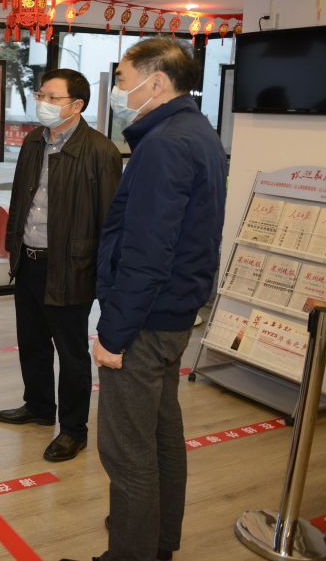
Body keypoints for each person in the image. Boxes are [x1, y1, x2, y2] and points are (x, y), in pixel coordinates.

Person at [92, 38, 227, 561]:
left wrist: (113, 334)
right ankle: (160, 545)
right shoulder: (198, 132)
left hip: (145, 321)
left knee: (127, 450)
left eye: (123, 80)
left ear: (157, 82)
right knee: (162, 436)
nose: (118, 91)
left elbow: (149, 250)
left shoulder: (165, 143)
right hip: (174, 313)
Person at [0, 68, 123, 464]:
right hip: (29, 260)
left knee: (70, 353)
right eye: (41, 95)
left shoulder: (100, 151)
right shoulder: (34, 141)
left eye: (53, 98)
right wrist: (13, 247)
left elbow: (109, 221)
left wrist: (102, 276)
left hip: (71, 266)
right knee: (32, 342)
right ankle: (38, 406)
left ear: (76, 105)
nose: (43, 103)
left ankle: (73, 430)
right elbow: (20, 199)